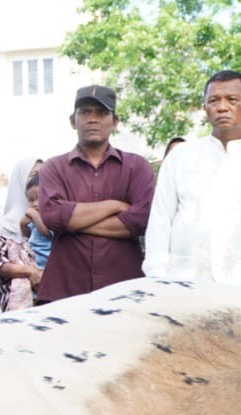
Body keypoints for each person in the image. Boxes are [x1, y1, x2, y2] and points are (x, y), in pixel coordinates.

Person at [143, 70, 241, 295]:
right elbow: (160, 222)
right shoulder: (180, 157)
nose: (222, 107)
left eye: (232, 100)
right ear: (205, 108)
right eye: (214, 101)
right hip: (179, 286)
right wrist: (159, 279)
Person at [35, 85, 155, 303]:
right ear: (72, 121)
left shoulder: (136, 166)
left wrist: (72, 223)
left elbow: (141, 219)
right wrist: (114, 205)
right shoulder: (53, 167)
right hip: (65, 288)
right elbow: (52, 215)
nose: (93, 119)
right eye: (85, 112)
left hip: (124, 288)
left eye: (101, 113)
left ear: (115, 121)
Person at [0, 157, 42, 312]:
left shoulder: (55, 218)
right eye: (34, 174)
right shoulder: (7, 225)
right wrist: (30, 271)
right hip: (19, 308)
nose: (40, 178)